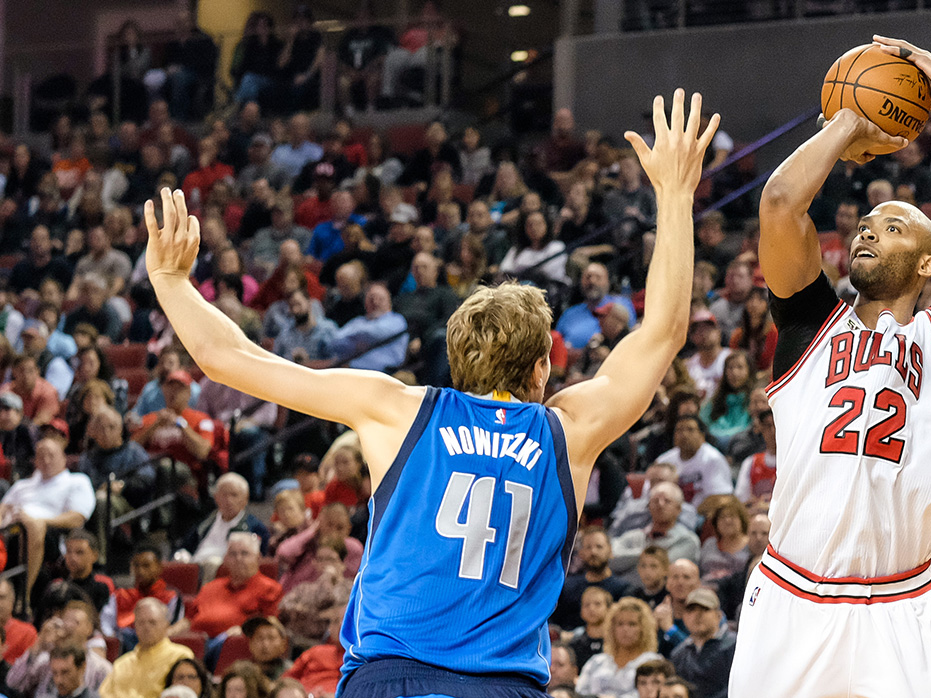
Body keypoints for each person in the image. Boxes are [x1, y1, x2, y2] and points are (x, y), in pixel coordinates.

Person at [143, 90, 719, 695]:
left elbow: (227, 359)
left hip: (391, 676)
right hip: (501, 683)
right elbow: (664, 331)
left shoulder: (398, 409)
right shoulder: (568, 430)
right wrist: (676, 195)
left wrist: (171, 281)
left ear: (456, 361)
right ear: (543, 369)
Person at [730, 38, 931, 698]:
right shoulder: (808, 324)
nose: (869, 230)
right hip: (791, 592)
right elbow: (780, 202)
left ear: (929, 263)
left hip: (900, 605)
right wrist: (849, 119)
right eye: (866, 223)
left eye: (893, 227)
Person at [0, 437, 96, 598]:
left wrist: (35, 520)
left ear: (63, 458)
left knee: (33, 525)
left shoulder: (76, 481)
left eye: (51, 455)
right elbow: (3, 507)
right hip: (10, 531)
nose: (46, 460)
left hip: (51, 536)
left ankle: (24, 595)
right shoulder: (22, 485)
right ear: (35, 460)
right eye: (41, 456)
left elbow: (77, 518)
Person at [170, 533, 281, 639]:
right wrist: (168, 633)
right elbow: (188, 620)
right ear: (225, 559)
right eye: (233, 554)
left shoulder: (269, 588)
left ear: (258, 558)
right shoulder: (210, 587)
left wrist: (244, 630)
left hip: (230, 644)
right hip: (197, 640)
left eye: (244, 553)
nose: (238, 559)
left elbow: (271, 625)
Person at [99, 598, 193, 698]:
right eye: (141, 623)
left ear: (166, 625)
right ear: (134, 626)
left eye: (152, 622)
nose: (146, 628)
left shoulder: (181, 657)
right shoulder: (121, 664)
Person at [576, 598, 663, 698]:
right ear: (612, 628)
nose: (625, 629)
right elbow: (579, 692)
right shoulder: (596, 661)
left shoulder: (652, 662)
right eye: (620, 624)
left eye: (632, 624)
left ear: (643, 629)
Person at [553, 527, 630, 630]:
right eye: (588, 547)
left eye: (599, 547)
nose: (593, 552)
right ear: (581, 553)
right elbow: (553, 622)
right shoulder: (566, 587)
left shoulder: (623, 589)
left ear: (610, 550)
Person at [670, 588, 735, 698]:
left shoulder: (734, 646)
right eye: (691, 610)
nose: (697, 615)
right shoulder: (678, 654)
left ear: (718, 615)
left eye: (705, 609)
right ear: (684, 617)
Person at [568, 586, 612, 668]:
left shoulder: (617, 643)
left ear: (609, 608)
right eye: (586, 605)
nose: (591, 609)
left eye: (597, 604)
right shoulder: (574, 645)